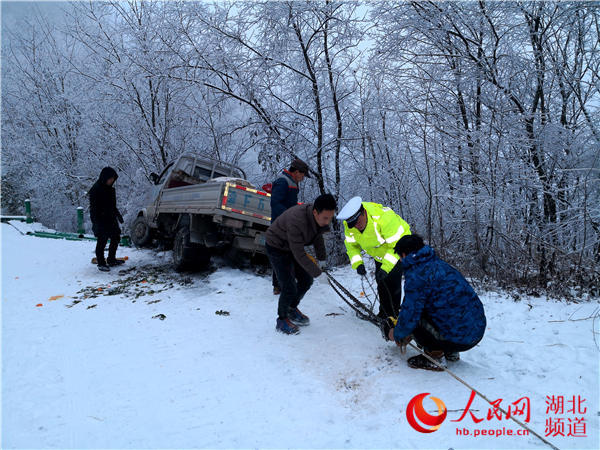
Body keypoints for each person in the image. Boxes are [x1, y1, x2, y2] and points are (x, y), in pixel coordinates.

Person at [388, 234, 486, 371]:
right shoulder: (439, 264)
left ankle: (434, 356)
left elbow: (410, 314)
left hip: (459, 338)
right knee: (440, 307)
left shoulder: (417, 275)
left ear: (404, 255)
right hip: (476, 332)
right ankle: (451, 352)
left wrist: (397, 334)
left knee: (417, 317)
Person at [265, 193, 336, 335]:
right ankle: (282, 319)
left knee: (306, 280)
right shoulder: (297, 220)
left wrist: (322, 260)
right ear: (315, 212)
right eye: (325, 218)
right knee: (289, 286)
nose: (327, 222)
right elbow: (299, 253)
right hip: (277, 247)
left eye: (330, 218)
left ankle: (292, 308)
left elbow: (317, 238)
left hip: (290, 247)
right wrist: (318, 273)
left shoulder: (316, 219)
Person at [337, 197, 411, 322]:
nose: (356, 226)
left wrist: (386, 268)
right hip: (380, 254)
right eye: (352, 225)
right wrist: (358, 264)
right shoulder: (350, 226)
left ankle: (396, 316)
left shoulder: (383, 218)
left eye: (357, 222)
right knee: (381, 283)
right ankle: (384, 314)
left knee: (394, 283)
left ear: (363, 212)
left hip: (402, 249)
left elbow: (395, 247)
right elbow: (351, 246)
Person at [269, 158, 310, 295]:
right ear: (297, 172)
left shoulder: (292, 182)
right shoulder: (283, 181)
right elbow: (275, 203)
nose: (303, 178)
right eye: (303, 175)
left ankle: (285, 282)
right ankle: (278, 285)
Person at [89, 167, 125, 272]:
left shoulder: (110, 189)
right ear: (105, 177)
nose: (112, 181)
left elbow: (112, 205)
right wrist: (95, 223)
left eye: (113, 179)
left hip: (111, 218)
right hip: (100, 219)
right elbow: (93, 208)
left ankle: (111, 259)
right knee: (102, 240)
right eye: (110, 178)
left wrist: (118, 215)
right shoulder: (96, 189)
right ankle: (101, 263)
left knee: (115, 237)